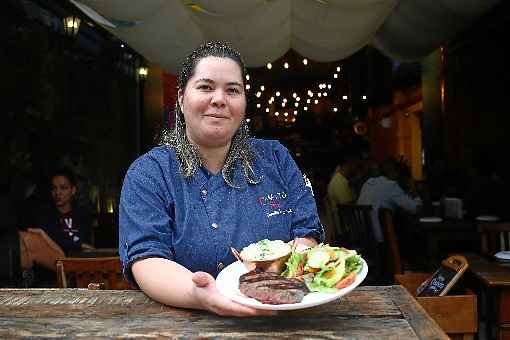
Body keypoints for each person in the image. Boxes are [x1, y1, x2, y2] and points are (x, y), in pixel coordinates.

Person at [119, 41, 324, 316]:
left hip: (280, 318)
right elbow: (147, 258)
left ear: (244, 102)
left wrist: (288, 275)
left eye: (233, 90)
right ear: (180, 98)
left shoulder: (276, 158)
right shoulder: (149, 173)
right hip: (184, 323)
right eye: (205, 87)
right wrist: (199, 294)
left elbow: (307, 232)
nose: (219, 99)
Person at [24, 169, 94, 254]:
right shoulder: (44, 215)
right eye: (54, 188)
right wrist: (79, 245)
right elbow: (50, 239)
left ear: (73, 190)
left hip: (79, 262)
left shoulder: (82, 214)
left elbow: (86, 243)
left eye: (63, 188)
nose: (57, 192)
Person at [357, 159, 419, 243]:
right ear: (395, 173)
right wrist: (415, 195)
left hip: (361, 237)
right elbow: (414, 209)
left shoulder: (368, 183)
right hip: (380, 240)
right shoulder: (391, 185)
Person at [324, 151, 359, 241]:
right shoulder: (339, 182)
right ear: (350, 164)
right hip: (346, 231)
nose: (357, 169)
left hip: (343, 229)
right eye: (356, 165)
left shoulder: (339, 179)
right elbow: (348, 209)